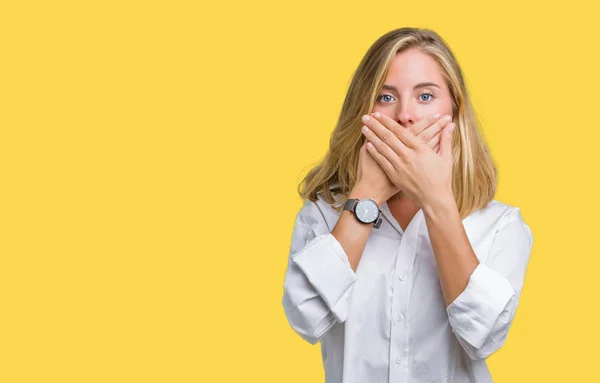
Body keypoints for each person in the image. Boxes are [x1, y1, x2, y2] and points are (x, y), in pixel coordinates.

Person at [281, 27, 534, 383]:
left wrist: (436, 199)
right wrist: (367, 193)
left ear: (455, 111)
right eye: (385, 98)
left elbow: (483, 338)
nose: (405, 116)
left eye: (425, 96)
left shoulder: (500, 225)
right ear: (363, 112)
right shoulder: (322, 216)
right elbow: (306, 319)